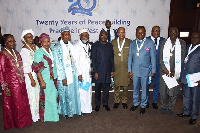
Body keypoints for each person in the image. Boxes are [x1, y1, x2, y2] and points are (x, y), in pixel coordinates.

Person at [0, 34, 32, 130]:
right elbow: (1, 72)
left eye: (13, 41)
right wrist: (5, 87)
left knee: (23, 103)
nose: (13, 43)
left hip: (21, 83)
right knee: (15, 105)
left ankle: (25, 122)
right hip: (11, 85)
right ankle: (17, 123)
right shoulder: (2, 55)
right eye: (10, 41)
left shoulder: (17, 53)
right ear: (5, 43)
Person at [53, 26, 81, 118]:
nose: (67, 36)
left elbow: (76, 60)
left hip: (72, 73)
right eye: (65, 34)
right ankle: (66, 112)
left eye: (68, 34)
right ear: (61, 35)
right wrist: (63, 77)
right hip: (64, 75)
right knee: (65, 95)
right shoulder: (57, 47)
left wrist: (79, 73)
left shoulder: (72, 45)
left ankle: (73, 110)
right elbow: (58, 64)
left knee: (73, 93)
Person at [128, 26, 156, 114]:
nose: (140, 34)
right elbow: (130, 58)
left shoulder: (150, 43)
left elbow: (153, 58)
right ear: (136, 33)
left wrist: (153, 71)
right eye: (138, 33)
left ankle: (143, 105)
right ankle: (135, 103)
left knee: (144, 89)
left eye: (142, 32)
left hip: (146, 71)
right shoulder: (132, 43)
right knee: (135, 88)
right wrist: (130, 70)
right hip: (135, 70)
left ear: (145, 33)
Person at [32, 33, 59, 122]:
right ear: (41, 43)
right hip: (46, 79)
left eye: (48, 41)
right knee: (48, 98)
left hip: (53, 78)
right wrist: (42, 81)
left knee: (54, 96)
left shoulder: (50, 50)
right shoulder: (39, 52)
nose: (47, 43)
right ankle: (47, 117)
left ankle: (54, 115)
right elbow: (37, 69)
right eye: (44, 42)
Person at [159, 27, 186, 115]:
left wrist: (175, 70)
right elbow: (160, 57)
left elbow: (182, 58)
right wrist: (164, 69)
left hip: (175, 72)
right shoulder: (164, 43)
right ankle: (163, 106)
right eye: (171, 33)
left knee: (173, 92)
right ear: (169, 33)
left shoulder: (182, 43)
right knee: (163, 92)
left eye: (175, 33)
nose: (173, 35)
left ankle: (171, 107)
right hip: (164, 72)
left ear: (177, 34)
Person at [176, 32, 200, 125]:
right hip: (186, 77)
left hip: (195, 78)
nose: (194, 39)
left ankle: (194, 116)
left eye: (197, 38)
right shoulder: (188, 46)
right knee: (186, 96)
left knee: (195, 98)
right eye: (193, 37)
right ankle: (186, 112)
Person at [92, 30, 114, 112]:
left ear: (107, 36)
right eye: (102, 35)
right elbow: (93, 59)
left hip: (108, 71)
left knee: (106, 89)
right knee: (97, 89)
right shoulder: (95, 45)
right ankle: (97, 104)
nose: (104, 37)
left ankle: (105, 103)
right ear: (99, 36)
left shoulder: (110, 45)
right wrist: (95, 72)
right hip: (98, 71)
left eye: (105, 35)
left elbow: (112, 58)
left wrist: (112, 70)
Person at [20, 29, 40, 122]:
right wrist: (32, 79)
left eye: (31, 36)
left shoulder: (35, 47)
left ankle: (38, 113)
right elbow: (26, 66)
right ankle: (33, 115)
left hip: (37, 74)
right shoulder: (24, 50)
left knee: (37, 93)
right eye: (28, 37)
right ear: (24, 39)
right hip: (30, 75)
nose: (30, 38)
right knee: (31, 94)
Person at [73, 29, 93, 114]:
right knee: (82, 91)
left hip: (88, 72)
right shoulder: (77, 46)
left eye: (87, 35)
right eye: (84, 35)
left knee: (88, 90)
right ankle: (82, 109)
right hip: (82, 73)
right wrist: (79, 73)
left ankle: (88, 108)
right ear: (80, 36)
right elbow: (75, 61)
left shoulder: (89, 45)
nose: (86, 37)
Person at [111, 27, 131, 109]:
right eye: (119, 32)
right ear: (117, 33)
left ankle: (124, 101)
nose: (121, 34)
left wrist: (131, 69)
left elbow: (132, 57)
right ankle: (116, 101)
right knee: (116, 85)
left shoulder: (130, 42)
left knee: (126, 85)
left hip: (126, 68)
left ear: (125, 33)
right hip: (116, 68)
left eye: (123, 32)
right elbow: (110, 57)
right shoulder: (113, 43)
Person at [146, 26, 165, 109]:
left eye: (158, 31)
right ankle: (146, 101)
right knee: (146, 84)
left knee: (156, 85)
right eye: (154, 31)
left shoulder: (164, 41)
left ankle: (154, 101)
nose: (156, 32)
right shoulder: (146, 40)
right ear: (151, 32)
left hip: (159, 67)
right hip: (148, 66)